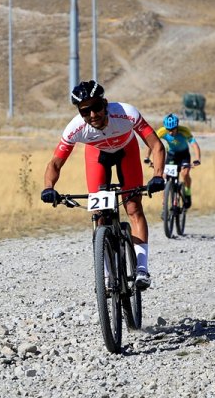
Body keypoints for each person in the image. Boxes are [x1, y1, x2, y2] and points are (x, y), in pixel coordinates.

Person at [41, 80, 166, 289]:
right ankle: (108, 273)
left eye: (96, 107)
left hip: (127, 151)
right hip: (97, 155)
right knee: (99, 214)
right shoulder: (75, 128)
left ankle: (142, 269)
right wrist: (48, 187)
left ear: (105, 103)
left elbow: (156, 145)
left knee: (134, 207)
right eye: (85, 111)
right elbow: (55, 162)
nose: (92, 115)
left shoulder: (126, 114)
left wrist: (158, 175)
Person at [146, 113, 202, 209]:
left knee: (185, 174)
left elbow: (194, 145)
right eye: (168, 129)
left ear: (177, 127)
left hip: (184, 155)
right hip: (171, 155)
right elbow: (152, 143)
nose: (170, 132)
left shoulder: (184, 131)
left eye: (172, 129)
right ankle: (164, 205)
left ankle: (187, 193)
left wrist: (197, 159)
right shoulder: (162, 131)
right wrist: (147, 157)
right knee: (164, 177)